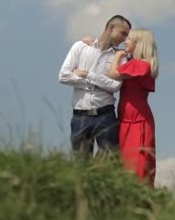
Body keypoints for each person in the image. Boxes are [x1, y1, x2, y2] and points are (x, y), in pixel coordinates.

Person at [83, 29, 158, 186]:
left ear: (138, 44)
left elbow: (113, 73)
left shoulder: (141, 65)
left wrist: (118, 55)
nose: (126, 41)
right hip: (127, 120)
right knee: (125, 164)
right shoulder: (134, 63)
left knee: (137, 164)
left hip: (137, 121)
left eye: (129, 39)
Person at [58, 15, 131, 157]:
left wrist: (86, 74)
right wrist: (99, 82)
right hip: (80, 116)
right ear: (111, 28)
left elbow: (115, 85)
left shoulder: (120, 57)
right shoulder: (80, 47)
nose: (124, 39)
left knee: (109, 163)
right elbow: (63, 76)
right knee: (81, 166)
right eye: (123, 33)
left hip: (106, 115)